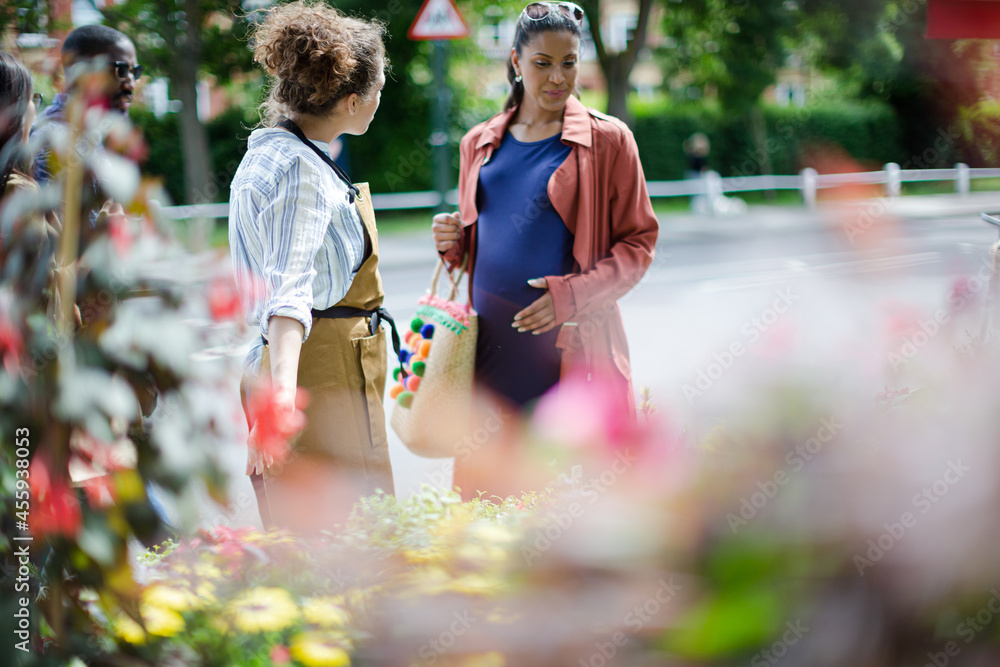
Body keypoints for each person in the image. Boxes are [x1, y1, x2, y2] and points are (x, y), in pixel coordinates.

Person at [431, 2, 658, 497]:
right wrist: (452, 243)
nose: (559, 77)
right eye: (543, 63)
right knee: (487, 506)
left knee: (567, 509)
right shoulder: (479, 142)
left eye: (569, 62)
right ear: (516, 61)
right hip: (488, 352)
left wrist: (569, 296)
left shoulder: (609, 140)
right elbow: (481, 242)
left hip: (568, 355)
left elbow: (638, 244)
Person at [230, 1, 393, 532]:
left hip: (307, 366)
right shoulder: (300, 170)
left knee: (308, 530)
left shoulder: (269, 152)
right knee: (345, 534)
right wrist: (280, 405)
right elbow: (288, 294)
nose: (377, 102)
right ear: (350, 100)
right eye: (376, 92)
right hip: (316, 374)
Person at [33, 24, 140, 184]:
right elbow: (53, 208)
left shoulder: (96, 130)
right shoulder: (54, 138)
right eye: (122, 70)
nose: (131, 84)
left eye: (135, 72)